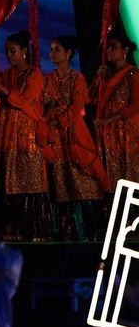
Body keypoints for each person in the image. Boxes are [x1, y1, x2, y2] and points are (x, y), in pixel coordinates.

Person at [41, 35, 110, 241]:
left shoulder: (77, 78)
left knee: (83, 182)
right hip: (55, 137)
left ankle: (90, 234)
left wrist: (57, 122)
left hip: (73, 132)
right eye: (51, 49)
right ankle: (64, 233)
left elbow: (78, 105)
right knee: (59, 184)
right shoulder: (48, 79)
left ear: (68, 53)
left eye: (57, 50)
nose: (52, 53)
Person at [0, 30, 51, 241]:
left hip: (27, 135)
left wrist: (4, 91)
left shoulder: (35, 74)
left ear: (24, 51)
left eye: (13, 51)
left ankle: (34, 232)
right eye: (7, 52)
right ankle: (11, 230)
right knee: (9, 182)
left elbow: (26, 102)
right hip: (7, 133)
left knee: (30, 182)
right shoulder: (5, 75)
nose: (10, 55)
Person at [89, 29, 139, 186]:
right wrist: (97, 79)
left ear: (125, 50)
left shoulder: (133, 74)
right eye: (107, 48)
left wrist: (108, 119)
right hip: (106, 133)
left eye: (113, 47)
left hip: (125, 133)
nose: (109, 51)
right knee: (109, 175)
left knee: (127, 174)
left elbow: (136, 106)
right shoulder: (105, 74)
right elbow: (90, 100)